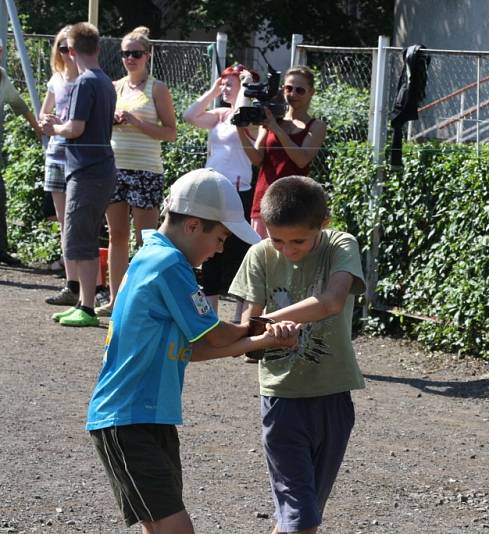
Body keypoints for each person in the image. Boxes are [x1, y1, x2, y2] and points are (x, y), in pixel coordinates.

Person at [86, 168, 301, 533]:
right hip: (129, 418)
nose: (219, 249)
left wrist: (262, 341)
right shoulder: (168, 264)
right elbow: (216, 336)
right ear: (193, 226)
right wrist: (258, 327)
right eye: (219, 238)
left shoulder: (153, 255)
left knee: (161, 526)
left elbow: (196, 348)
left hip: (147, 416)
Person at [228, 175, 365, 534]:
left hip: (334, 394)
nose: (288, 250)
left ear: (324, 223)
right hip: (282, 399)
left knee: (302, 513)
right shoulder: (259, 254)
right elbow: (248, 324)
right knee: (301, 517)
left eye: (299, 241)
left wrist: (267, 321)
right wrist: (268, 334)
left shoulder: (341, 244)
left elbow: (333, 301)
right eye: (278, 240)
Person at [41, 22, 115, 327]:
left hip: (86, 171)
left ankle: (85, 307)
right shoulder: (105, 81)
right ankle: (84, 302)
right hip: (97, 168)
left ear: (71, 51)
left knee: (79, 238)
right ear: (97, 48)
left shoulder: (85, 82)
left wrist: (53, 127)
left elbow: (75, 128)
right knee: (83, 237)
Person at [101, 26, 177, 316]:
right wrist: (115, 121)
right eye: (125, 54)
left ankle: (145, 299)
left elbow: (170, 132)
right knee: (116, 235)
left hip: (146, 170)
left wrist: (136, 121)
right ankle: (115, 299)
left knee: (145, 238)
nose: (130, 59)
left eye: (135, 54)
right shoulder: (114, 86)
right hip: (115, 168)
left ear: (148, 55)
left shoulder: (157, 88)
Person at [183, 64, 259, 316]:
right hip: (213, 188)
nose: (225, 89)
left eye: (230, 84)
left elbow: (241, 113)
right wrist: (213, 89)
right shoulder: (219, 115)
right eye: (223, 84)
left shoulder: (248, 116)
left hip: (238, 190)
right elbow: (189, 116)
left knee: (238, 250)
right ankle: (209, 315)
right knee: (209, 250)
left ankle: (238, 315)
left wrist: (246, 87)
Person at [237, 65, 326, 238]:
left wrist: (276, 129)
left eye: (299, 90)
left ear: (311, 92)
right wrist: (239, 130)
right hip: (264, 202)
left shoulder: (316, 126)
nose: (292, 94)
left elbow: (302, 160)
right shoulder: (273, 119)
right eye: (288, 88)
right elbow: (257, 158)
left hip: (295, 205)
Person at [0, 40, 44, 266]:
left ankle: (1, 249)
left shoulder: (1, 76)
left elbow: (19, 105)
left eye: (0, 50)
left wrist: (37, 127)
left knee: (0, 196)